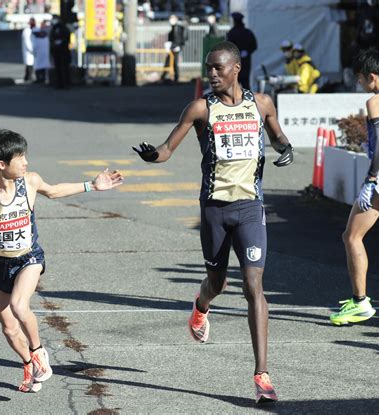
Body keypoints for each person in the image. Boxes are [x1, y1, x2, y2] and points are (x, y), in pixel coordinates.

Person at [133, 41, 294, 403]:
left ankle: (262, 374)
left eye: (218, 68)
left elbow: (278, 136)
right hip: (215, 210)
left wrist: (286, 149)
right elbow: (167, 149)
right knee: (217, 283)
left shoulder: (262, 103)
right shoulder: (201, 108)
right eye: (208, 68)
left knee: (254, 286)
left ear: (236, 68)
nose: (212, 74)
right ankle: (201, 306)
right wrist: (151, 155)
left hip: (251, 208)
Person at [0, 128, 123, 392]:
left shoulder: (30, 181)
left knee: (19, 304)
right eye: (20, 158)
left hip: (28, 258)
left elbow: (54, 191)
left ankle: (38, 351)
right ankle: (28, 363)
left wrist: (92, 185)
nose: (26, 162)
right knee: (8, 328)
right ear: (2, 164)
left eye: (25, 156)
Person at [330, 49, 379, 326]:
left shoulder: (376, 101)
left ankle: (360, 303)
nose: (360, 85)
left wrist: (371, 179)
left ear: (372, 77)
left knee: (352, 236)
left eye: (361, 80)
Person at [226, 12, 257, 90]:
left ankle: (234, 101)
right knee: (246, 83)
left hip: (235, 62)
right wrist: (247, 52)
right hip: (246, 62)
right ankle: (248, 100)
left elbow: (229, 47)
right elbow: (254, 45)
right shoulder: (248, 32)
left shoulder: (231, 33)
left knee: (234, 84)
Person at [160, 14, 187, 83]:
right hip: (171, 47)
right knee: (168, 62)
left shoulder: (179, 27)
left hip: (176, 47)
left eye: (172, 18)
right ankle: (163, 77)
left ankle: (176, 78)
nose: (171, 20)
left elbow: (182, 38)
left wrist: (179, 46)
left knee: (175, 63)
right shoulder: (172, 27)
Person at [49, 15, 71, 89]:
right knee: (58, 68)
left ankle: (65, 83)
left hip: (63, 51)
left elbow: (67, 39)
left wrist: (60, 42)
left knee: (63, 68)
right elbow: (51, 39)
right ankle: (59, 83)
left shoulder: (63, 28)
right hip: (57, 51)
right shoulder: (54, 28)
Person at [22, 17, 36, 82]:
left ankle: (28, 76)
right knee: (29, 64)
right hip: (29, 51)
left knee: (30, 64)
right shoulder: (27, 31)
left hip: (30, 50)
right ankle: (28, 76)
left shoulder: (31, 30)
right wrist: (31, 50)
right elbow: (27, 42)